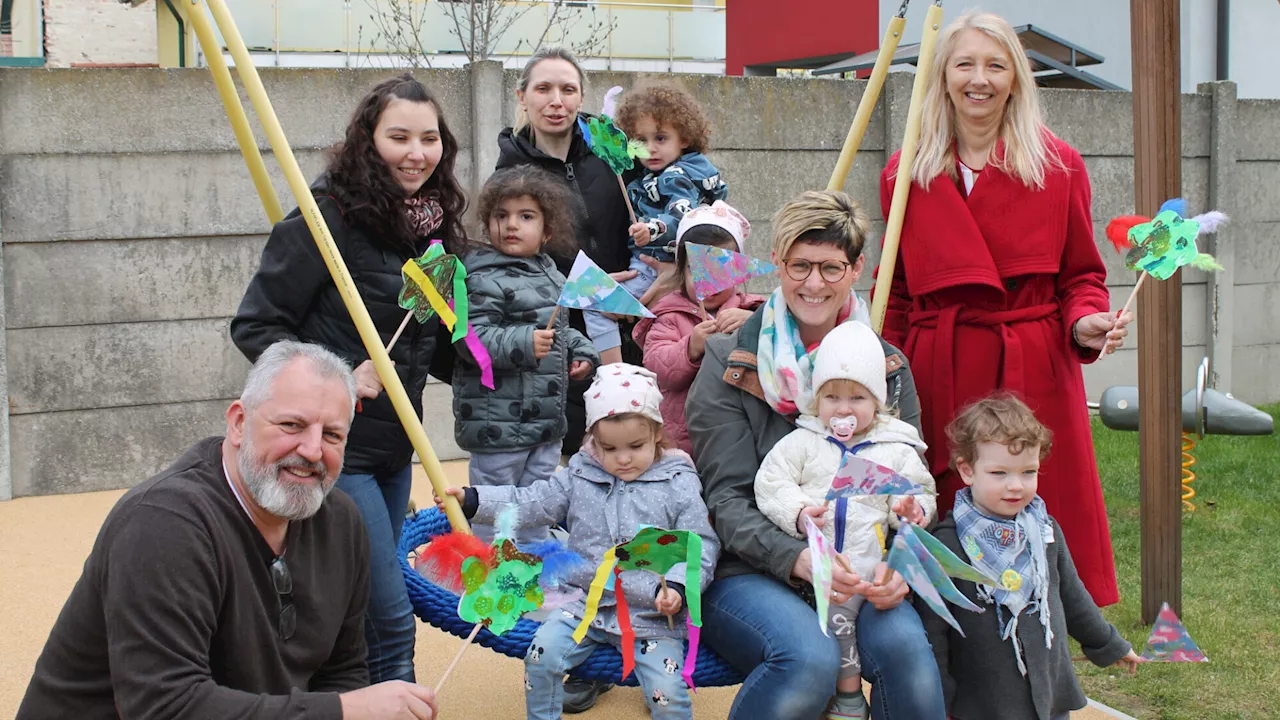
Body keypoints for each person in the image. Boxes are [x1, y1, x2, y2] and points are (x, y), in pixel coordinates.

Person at [17, 341, 438, 720]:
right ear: (238, 423)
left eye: (332, 435)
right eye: (291, 425)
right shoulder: (165, 524)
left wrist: (344, 704)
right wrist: (344, 711)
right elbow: (164, 707)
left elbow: (342, 669)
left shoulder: (342, 521)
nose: (312, 451)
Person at [876, 11, 1130, 606]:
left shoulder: (1059, 165)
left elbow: (1082, 276)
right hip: (942, 363)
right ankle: (946, 643)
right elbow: (898, 291)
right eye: (964, 64)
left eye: (996, 65)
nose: (979, 79)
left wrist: (1087, 321)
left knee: (1037, 506)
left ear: (1016, 78)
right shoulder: (904, 173)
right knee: (939, 510)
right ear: (942, 77)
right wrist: (881, 370)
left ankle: (1040, 652)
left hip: (1032, 362)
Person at [231, 73, 467, 682]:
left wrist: (510, 356)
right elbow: (256, 327)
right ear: (368, 138)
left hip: (398, 446)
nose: (417, 153)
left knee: (359, 603)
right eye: (399, 137)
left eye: (430, 138)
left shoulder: (434, 228)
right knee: (390, 615)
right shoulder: (325, 217)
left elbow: (432, 345)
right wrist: (336, 378)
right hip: (340, 445)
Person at [686, 190, 945, 720]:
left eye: (831, 267)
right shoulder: (729, 360)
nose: (813, 283)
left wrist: (905, 560)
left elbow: (908, 482)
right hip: (749, 569)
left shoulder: (888, 365)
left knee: (910, 657)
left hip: (862, 563)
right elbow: (726, 498)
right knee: (809, 659)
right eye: (799, 265)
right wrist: (797, 559)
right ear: (777, 265)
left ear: (856, 270)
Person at [496, 45, 653, 709]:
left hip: (623, 338)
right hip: (554, 346)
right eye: (544, 89)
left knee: (635, 481)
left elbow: (658, 207)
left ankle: (644, 627)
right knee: (578, 496)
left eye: (568, 88)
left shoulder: (609, 152)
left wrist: (652, 239)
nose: (557, 100)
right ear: (524, 99)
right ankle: (581, 641)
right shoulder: (509, 171)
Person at [439, 364, 719, 720]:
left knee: (669, 691)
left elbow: (699, 543)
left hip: (650, 614)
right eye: (609, 448)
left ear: (658, 436)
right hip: (584, 604)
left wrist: (679, 587)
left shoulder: (676, 482)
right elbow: (533, 502)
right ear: (592, 441)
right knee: (540, 658)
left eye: (636, 446)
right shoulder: (580, 474)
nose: (623, 458)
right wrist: (474, 499)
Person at [754, 320, 936, 720]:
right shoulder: (803, 442)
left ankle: (847, 696)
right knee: (836, 622)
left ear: (878, 402)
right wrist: (799, 512)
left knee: (861, 622)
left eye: (856, 397)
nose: (843, 407)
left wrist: (912, 511)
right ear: (816, 401)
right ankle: (848, 696)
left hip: (871, 564)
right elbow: (770, 483)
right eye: (832, 396)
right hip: (820, 566)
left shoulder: (896, 449)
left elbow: (921, 489)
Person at [924, 394, 1142, 720]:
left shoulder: (1044, 531)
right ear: (967, 470)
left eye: (1028, 472)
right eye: (999, 473)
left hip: (1047, 693)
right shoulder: (948, 547)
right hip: (984, 702)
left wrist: (1110, 644)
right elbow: (934, 633)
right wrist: (939, 701)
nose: (1016, 486)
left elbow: (1071, 594)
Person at [452, 165, 598, 543]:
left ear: (547, 230)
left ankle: (535, 571)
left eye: (525, 216)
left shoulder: (551, 274)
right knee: (494, 505)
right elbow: (470, 338)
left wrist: (581, 352)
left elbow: (561, 331)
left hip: (546, 424)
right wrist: (523, 341)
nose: (511, 224)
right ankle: (490, 574)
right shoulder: (482, 275)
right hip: (497, 425)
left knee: (539, 503)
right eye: (501, 216)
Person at [583, 80, 728, 365]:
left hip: (655, 267)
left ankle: (613, 372)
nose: (650, 149)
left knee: (593, 299)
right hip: (669, 268)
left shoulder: (675, 176)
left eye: (660, 138)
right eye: (640, 140)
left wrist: (651, 230)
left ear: (684, 138)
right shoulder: (664, 173)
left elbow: (681, 215)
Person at [633, 201, 764, 455]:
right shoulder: (669, 314)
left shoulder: (754, 309)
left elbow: (780, 350)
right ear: (681, 270)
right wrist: (689, 347)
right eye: (698, 270)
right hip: (686, 440)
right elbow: (657, 368)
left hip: (742, 435)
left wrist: (753, 323)